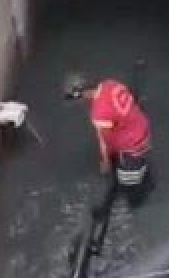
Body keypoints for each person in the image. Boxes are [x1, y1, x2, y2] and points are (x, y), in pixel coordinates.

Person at [63, 72, 154, 207]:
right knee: (139, 163)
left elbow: (106, 141)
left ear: (82, 94)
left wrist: (106, 162)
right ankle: (145, 176)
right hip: (142, 127)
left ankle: (137, 199)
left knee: (129, 182)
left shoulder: (99, 112)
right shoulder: (110, 84)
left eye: (77, 100)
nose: (78, 103)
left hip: (132, 144)